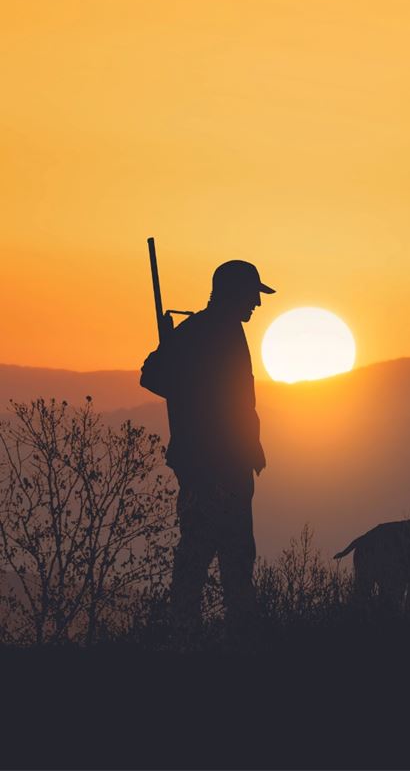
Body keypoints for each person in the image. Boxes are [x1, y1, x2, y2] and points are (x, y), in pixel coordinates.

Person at [140, 259, 274, 639]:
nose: (257, 305)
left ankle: (228, 637)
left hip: (230, 464)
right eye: (252, 295)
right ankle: (189, 638)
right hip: (209, 466)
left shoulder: (222, 331)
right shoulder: (201, 332)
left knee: (231, 558)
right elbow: (153, 374)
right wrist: (196, 392)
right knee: (201, 556)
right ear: (232, 293)